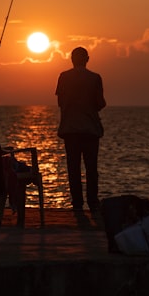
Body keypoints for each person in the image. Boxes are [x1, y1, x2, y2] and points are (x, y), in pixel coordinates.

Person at [55, 46, 106, 219]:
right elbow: (100, 103)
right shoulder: (95, 78)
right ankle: (93, 203)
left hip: (70, 129)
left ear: (71, 59)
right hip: (90, 129)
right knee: (91, 168)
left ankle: (77, 204)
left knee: (73, 167)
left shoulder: (63, 77)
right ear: (87, 59)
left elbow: (60, 102)